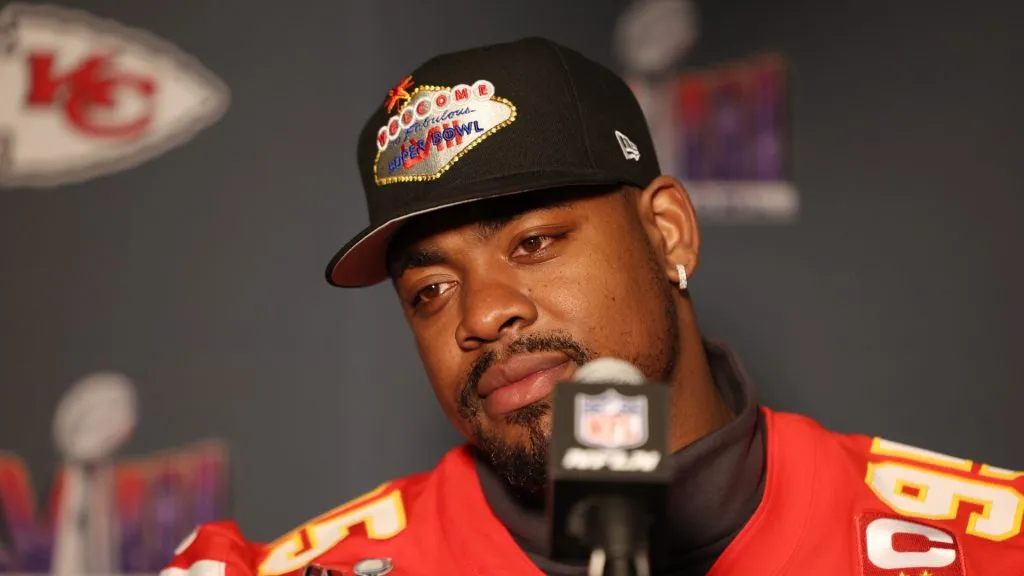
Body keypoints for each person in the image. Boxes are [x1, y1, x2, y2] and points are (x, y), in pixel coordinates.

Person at [162, 37, 1024, 576]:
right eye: (430, 291)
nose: (482, 315)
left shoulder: (986, 548)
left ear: (667, 232)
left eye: (534, 242)